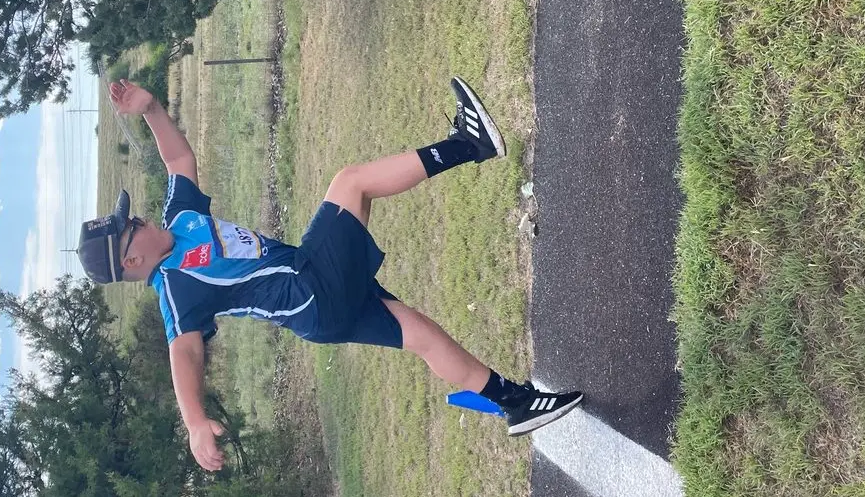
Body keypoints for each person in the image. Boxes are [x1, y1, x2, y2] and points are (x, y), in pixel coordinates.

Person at [78, 75, 583, 471]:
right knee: (351, 182)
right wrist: (193, 421)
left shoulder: (180, 217)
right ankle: (470, 144)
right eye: (129, 228)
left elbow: (179, 157)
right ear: (131, 262)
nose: (138, 218)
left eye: (131, 216)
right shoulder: (173, 288)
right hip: (309, 294)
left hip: (317, 303)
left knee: (422, 336)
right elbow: (184, 349)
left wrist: (150, 110)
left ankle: (515, 404)